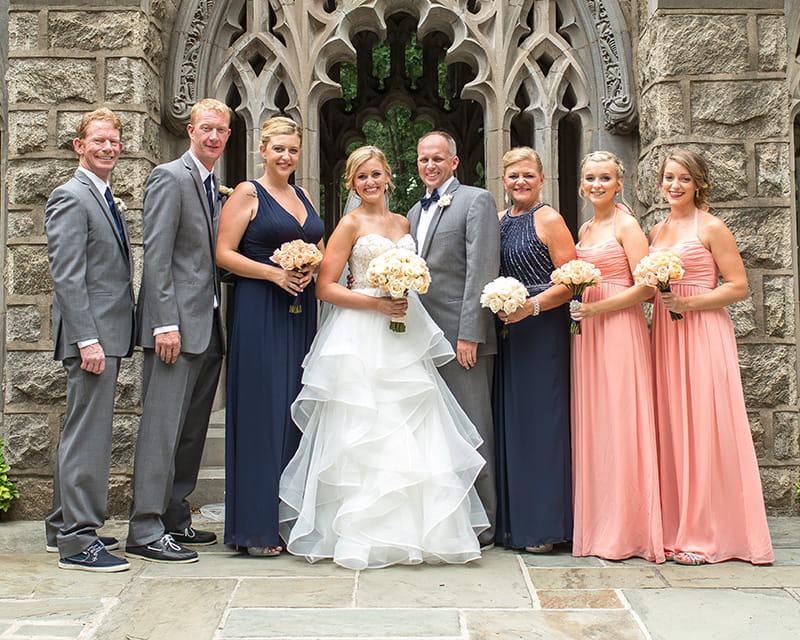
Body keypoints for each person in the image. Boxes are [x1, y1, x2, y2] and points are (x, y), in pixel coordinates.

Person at [279, 146, 488, 569]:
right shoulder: (349, 224)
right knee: (364, 426)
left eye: (375, 175)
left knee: (410, 422)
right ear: (352, 184)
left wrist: (401, 292)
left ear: (387, 176)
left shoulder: (403, 221)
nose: (369, 183)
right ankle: (358, 535)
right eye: (360, 178)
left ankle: (413, 534)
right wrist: (375, 304)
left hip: (404, 331)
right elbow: (325, 288)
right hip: (361, 333)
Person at [649, 149, 773, 565]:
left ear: (699, 183)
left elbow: (738, 287)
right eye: (669, 178)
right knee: (673, 427)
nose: (675, 186)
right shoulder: (658, 229)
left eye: (684, 179)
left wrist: (691, 303)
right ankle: (677, 526)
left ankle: (709, 535)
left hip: (702, 332)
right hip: (666, 334)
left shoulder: (713, 227)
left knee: (704, 427)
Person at [126, 98, 231, 563]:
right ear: (191, 130)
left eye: (221, 131)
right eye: (206, 129)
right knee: (162, 430)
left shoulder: (213, 186)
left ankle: (174, 516)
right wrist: (164, 323)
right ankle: (145, 529)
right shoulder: (170, 176)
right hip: (174, 328)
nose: (213, 137)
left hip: (207, 326)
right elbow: (158, 254)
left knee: (190, 431)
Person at [216, 117, 324, 557]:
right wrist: (273, 273)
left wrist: (310, 267)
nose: (286, 157)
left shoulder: (302, 195)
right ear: (262, 150)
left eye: (293, 150)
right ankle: (254, 528)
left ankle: (286, 521)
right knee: (261, 411)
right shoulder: (246, 193)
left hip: (300, 310)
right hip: (260, 309)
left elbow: (317, 245)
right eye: (278, 148)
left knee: (292, 409)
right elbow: (222, 253)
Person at [43, 108, 134, 572]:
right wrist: (87, 339)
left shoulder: (102, 194)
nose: (107, 148)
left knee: (79, 430)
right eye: (98, 141)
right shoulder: (70, 196)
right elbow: (67, 277)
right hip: (92, 338)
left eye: (114, 141)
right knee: (89, 437)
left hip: (104, 333)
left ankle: (62, 523)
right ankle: (79, 541)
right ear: (79, 145)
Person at [569, 151, 664, 562]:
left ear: (618, 184)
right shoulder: (586, 228)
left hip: (619, 329)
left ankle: (629, 531)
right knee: (597, 423)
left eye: (605, 178)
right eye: (590, 178)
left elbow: (647, 287)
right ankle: (599, 524)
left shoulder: (627, 226)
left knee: (623, 420)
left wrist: (597, 308)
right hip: (587, 333)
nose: (596, 185)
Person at [406, 131, 500, 547]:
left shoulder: (475, 200)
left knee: (472, 431)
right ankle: (446, 521)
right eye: (424, 159)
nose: (430, 165)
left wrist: (470, 334)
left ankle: (484, 525)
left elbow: (482, 270)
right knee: (434, 434)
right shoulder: (412, 212)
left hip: (462, 341)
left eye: (438, 159)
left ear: (454, 162)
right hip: (418, 341)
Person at [493, 147, 575, 553]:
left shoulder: (550, 219)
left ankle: (545, 526)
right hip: (510, 332)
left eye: (527, 175)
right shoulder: (499, 222)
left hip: (543, 331)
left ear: (541, 179)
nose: (520, 182)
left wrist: (533, 305)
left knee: (543, 424)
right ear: (503, 181)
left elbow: (572, 280)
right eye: (512, 177)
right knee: (515, 424)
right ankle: (516, 524)